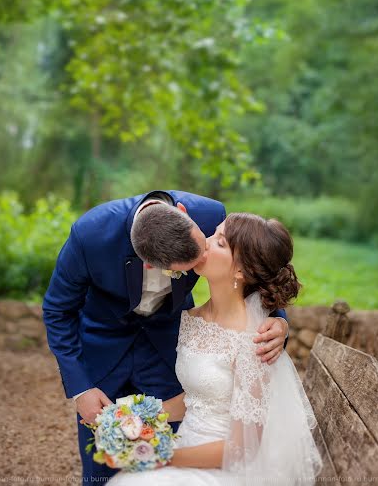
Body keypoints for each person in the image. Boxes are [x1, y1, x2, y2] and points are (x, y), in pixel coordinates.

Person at [42, 191, 289, 483]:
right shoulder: (89, 234)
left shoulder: (212, 217)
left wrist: (278, 321)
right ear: (150, 263)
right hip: (103, 355)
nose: (206, 254)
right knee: (99, 471)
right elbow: (58, 310)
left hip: (169, 354)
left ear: (185, 213)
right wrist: (81, 389)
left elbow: (256, 261)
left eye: (209, 245)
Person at [108, 212, 323, 486]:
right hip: (186, 445)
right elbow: (195, 400)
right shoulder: (193, 318)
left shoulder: (253, 340)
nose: (205, 243)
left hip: (223, 469)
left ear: (241, 271)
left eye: (220, 242)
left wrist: (161, 456)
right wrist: (131, 416)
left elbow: (242, 449)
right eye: (213, 234)